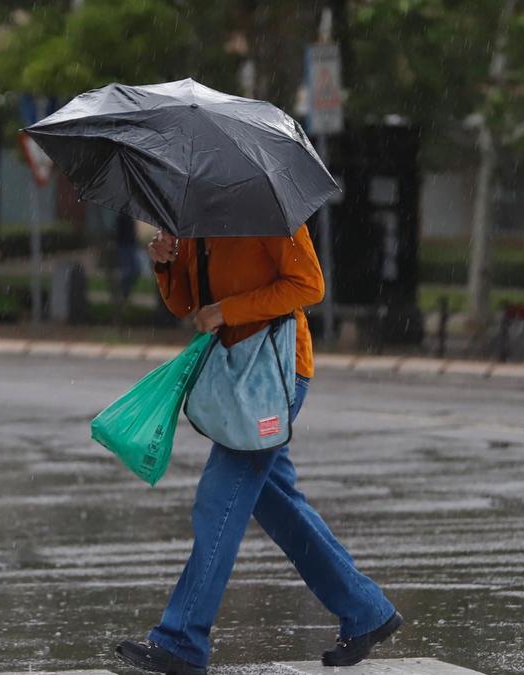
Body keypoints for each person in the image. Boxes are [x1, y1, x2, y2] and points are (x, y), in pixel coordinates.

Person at [115, 226, 401, 674]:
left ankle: (182, 640)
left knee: (218, 501)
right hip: (235, 376)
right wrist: (166, 262)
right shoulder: (197, 216)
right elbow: (187, 305)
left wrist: (228, 311)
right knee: (277, 504)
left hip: (274, 375)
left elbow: (309, 284)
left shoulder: (268, 210)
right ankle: (366, 610)